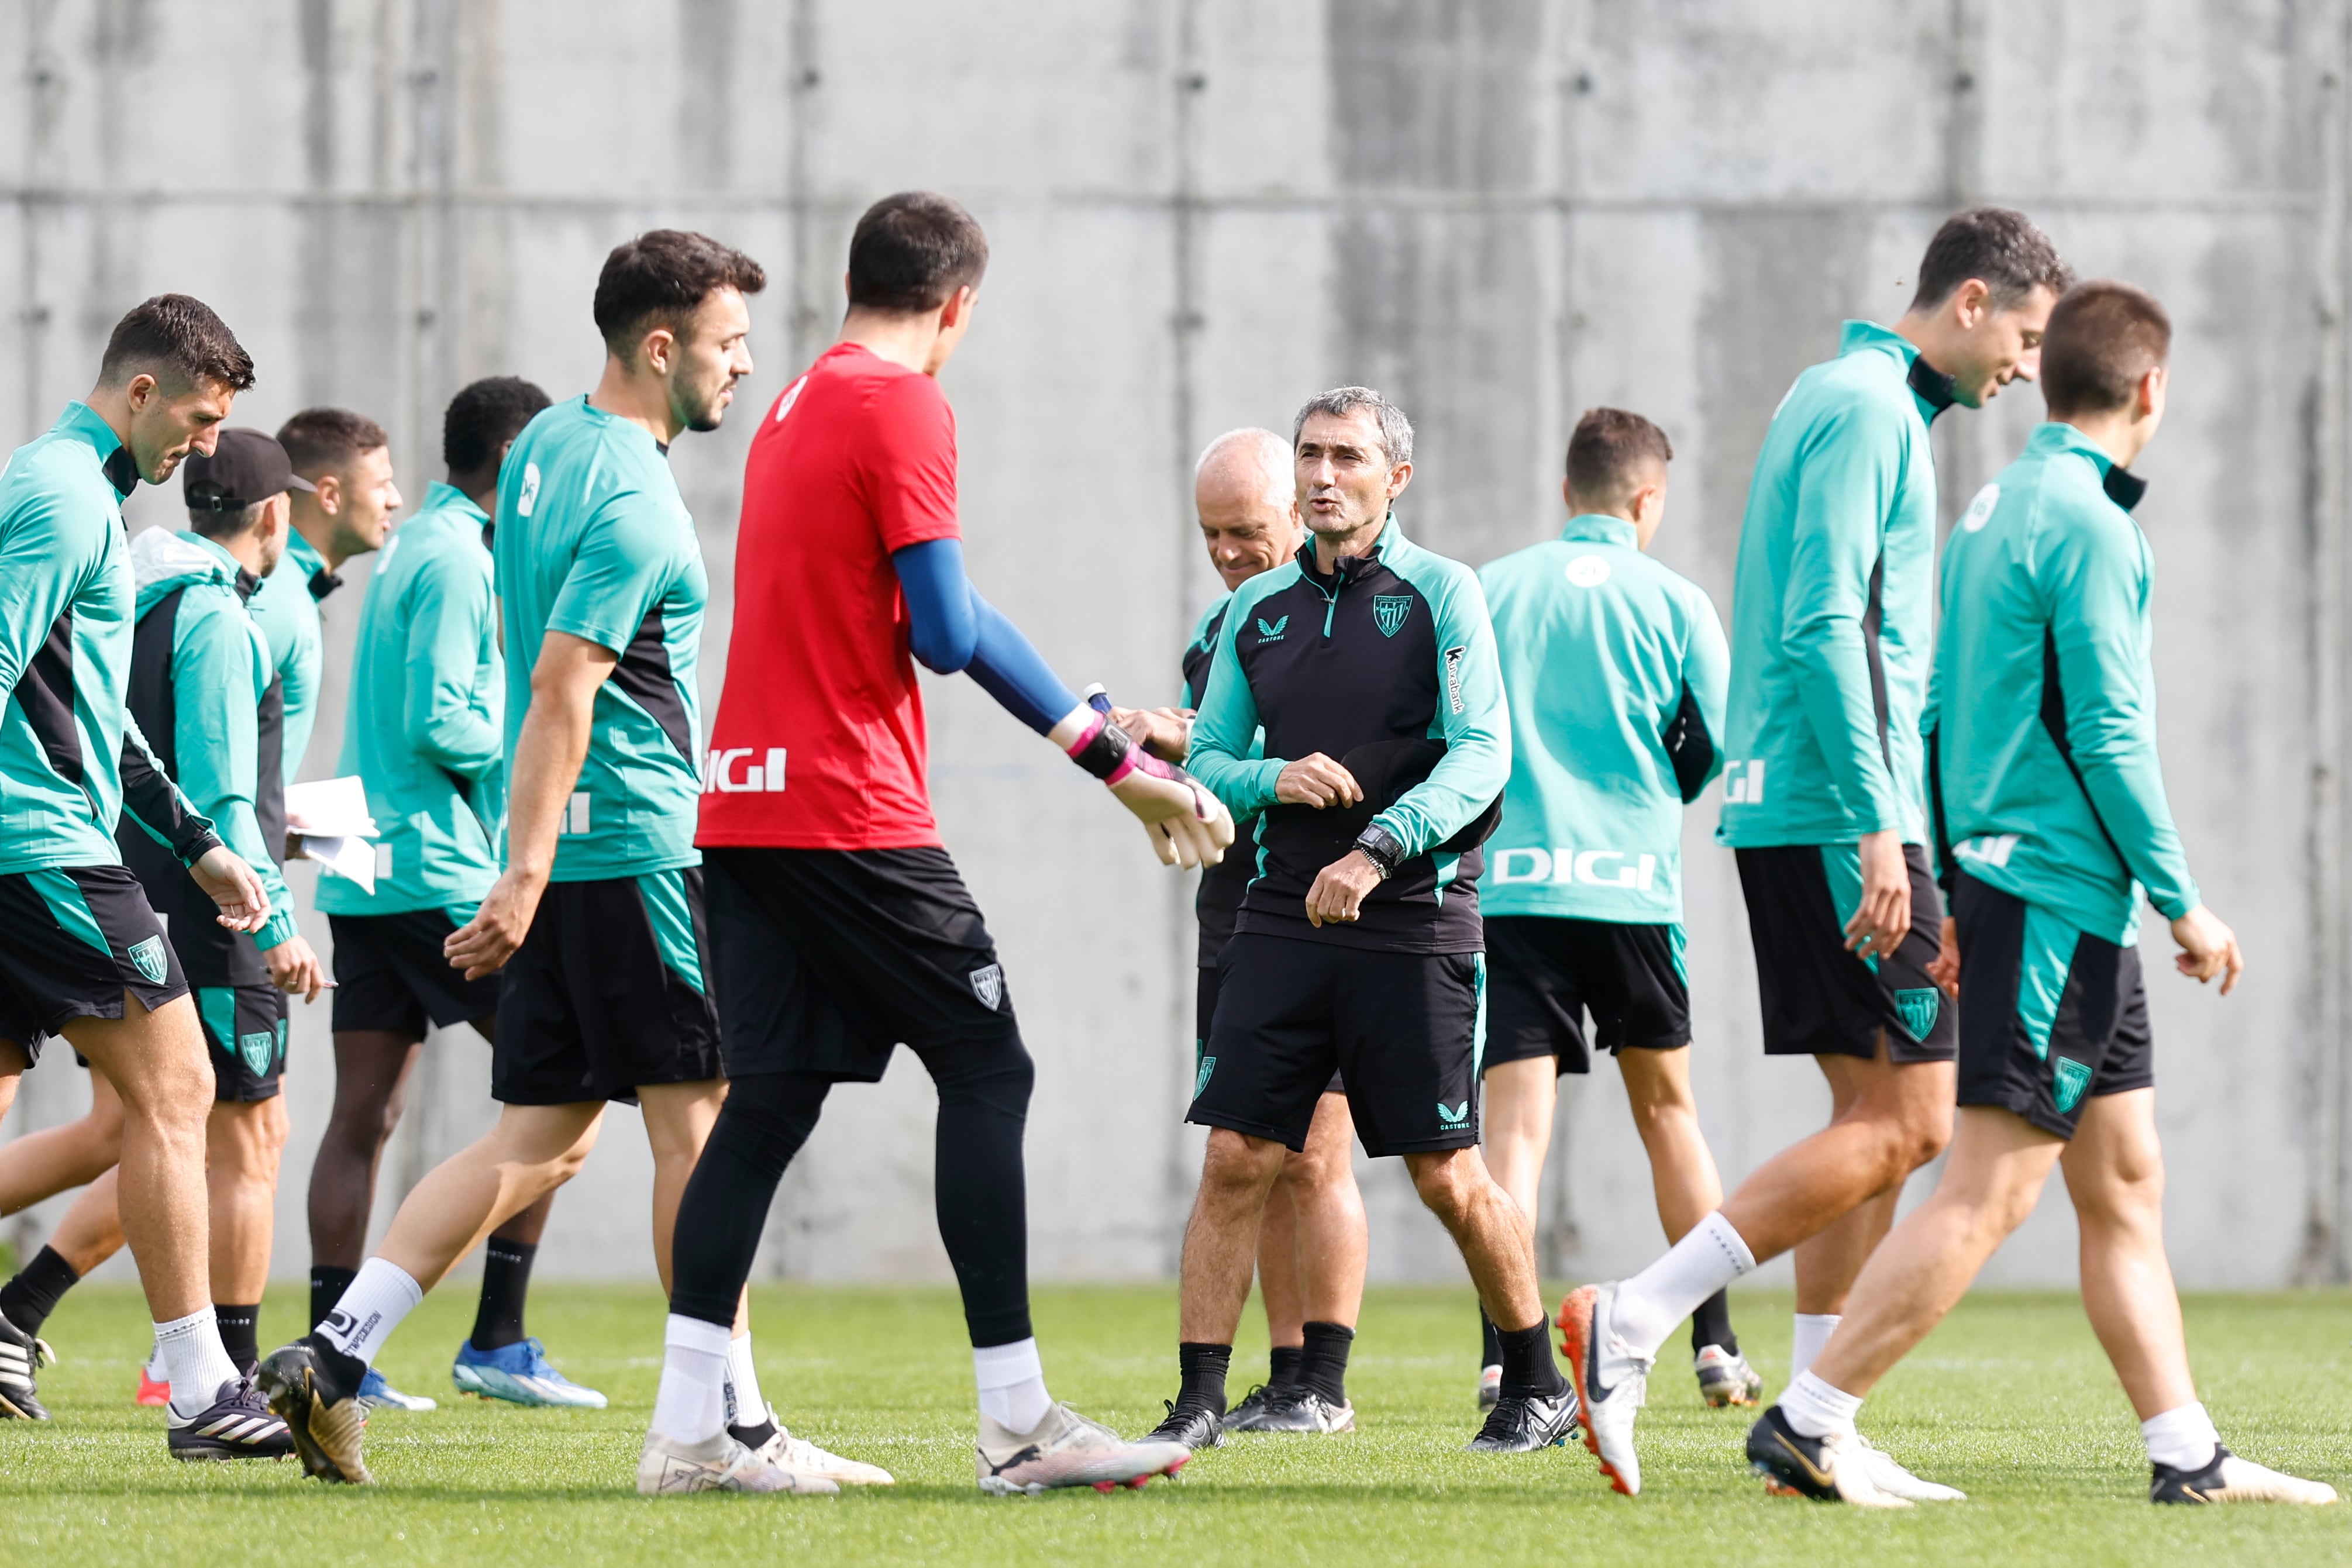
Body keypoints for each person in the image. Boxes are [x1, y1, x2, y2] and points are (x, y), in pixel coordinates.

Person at [648, 190, 1229, 1498]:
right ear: (958, 305)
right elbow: (947, 632)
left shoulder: (792, 404)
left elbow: (927, 609)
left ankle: (689, 1428)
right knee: (986, 1066)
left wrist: (1109, 753)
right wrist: (1118, 764)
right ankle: (1018, 1421)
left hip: (741, 808)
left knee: (772, 1103)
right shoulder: (904, 405)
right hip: (847, 814)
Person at [256, 231, 834, 1488]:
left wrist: (531, 864)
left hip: (578, 860)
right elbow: (564, 685)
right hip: (630, 849)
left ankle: (334, 1356)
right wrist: (515, 875)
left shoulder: (546, 451)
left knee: (540, 1136)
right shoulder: (631, 491)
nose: (746, 366)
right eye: (731, 344)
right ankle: (722, 1426)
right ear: (663, 346)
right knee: (702, 1130)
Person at [1745, 283, 2336, 1509]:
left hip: (2029, 897)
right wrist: (2183, 899)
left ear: (2051, 371)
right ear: (2151, 390)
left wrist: (1956, 888)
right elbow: (2111, 738)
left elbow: (1944, 712)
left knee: (2123, 1181)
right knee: (1990, 1187)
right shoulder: (2092, 524)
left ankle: (2188, 1455)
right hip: (2062, 896)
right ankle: (1809, 1420)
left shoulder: (1994, 504)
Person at [1558, 206, 2071, 1499]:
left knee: (1875, 1120)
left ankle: (1811, 1421)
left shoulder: (1860, 398)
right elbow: (1820, 621)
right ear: (1968, 302)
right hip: (1833, 811)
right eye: (2022, 333)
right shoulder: (1864, 406)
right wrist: (1879, 824)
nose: (2024, 365)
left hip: (1827, 804)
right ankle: (1630, 1318)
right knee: (1913, 1118)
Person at [1149, 384, 1574, 1456]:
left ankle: (1536, 1379)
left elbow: (1484, 752)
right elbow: (1206, 761)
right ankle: (1198, 1398)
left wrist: (1378, 848)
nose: (1323, 475)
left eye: (1345, 456)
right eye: (1309, 455)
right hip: (1280, 920)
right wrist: (1271, 776)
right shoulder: (1258, 613)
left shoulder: (1444, 593)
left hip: (1415, 920)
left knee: (1446, 1174)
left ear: (1396, 477)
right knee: (1237, 1155)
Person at [0, 294, 281, 1456]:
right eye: (201, 420)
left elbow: (93, 711)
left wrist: (200, 844)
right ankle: (207, 1388)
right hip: (42, 847)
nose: (206, 448)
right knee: (178, 1091)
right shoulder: (67, 501)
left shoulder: (75, 494)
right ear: (139, 395)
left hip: (48, 838)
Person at [306, 376, 604, 1414]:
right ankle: (497, 1338)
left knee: (367, 1113)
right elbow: (442, 718)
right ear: (517, 462)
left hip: (366, 871)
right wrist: (547, 750)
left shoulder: (418, 550)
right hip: (432, 871)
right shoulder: (457, 559)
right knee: (567, 1092)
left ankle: (337, 1348)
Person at [1475, 408, 1752, 1412]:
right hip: (1629, 888)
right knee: (1669, 1113)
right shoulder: (1674, 599)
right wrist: (1656, 788)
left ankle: (1504, 1355)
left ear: (1564, 492)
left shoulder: (1493, 589)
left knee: (1515, 1132)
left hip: (1512, 889)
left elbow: (1458, 729)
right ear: (1648, 500)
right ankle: (1713, 1345)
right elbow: (1714, 740)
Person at [1120, 428, 1370, 1434]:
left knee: (1316, 1149)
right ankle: (1285, 1373)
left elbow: (1333, 760)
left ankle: (1326, 1381)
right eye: (1210, 533)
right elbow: (1215, 762)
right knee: (1246, 1147)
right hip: (1233, 909)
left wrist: (1188, 739)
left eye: (1244, 530)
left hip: (1325, 904)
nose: (1226, 550)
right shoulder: (1221, 624)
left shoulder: (1357, 617)